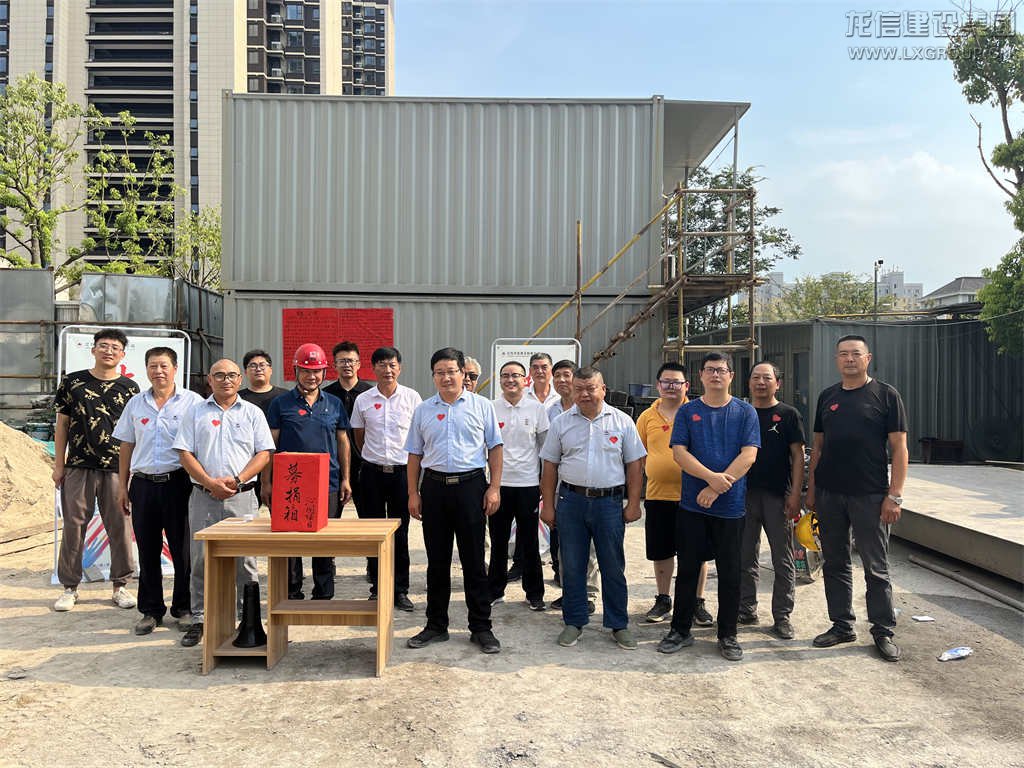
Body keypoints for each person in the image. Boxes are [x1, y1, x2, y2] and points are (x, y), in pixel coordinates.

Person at [806, 335, 908, 663]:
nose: (849, 359)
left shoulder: (886, 395)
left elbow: (899, 449)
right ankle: (841, 625)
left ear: (868, 358)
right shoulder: (828, 397)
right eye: (843, 354)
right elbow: (818, 447)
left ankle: (882, 630)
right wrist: (812, 489)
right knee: (835, 562)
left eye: (856, 354)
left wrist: (895, 495)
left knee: (875, 567)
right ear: (836, 359)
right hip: (830, 494)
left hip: (870, 495)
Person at [659, 352, 759, 661]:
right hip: (693, 506)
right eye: (710, 370)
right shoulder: (688, 412)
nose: (716, 375)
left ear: (731, 376)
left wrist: (716, 488)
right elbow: (679, 452)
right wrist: (710, 478)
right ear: (701, 376)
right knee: (688, 569)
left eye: (721, 370)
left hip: (730, 508)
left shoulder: (745, 412)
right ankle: (680, 630)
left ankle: (728, 634)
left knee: (730, 573)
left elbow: (749, 455)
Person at [404, 348, 504, 654]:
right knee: (437, 561)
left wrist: (494, 488)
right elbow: (414, 454)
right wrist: (413, 493)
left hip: (471, 487)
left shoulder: (482, 406)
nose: (446, 377)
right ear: (433, 376)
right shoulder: (423, 410)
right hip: (434, 488)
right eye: (440, 372)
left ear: (463, 374)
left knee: (474, 560)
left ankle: (481, 627)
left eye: (451, 371)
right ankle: (436, 625)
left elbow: (495, 448)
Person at [540, 367, 646, 651]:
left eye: (591, 388)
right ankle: (574, 621)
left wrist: (633, 503)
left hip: (609, 503)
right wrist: (548, 506)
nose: (584, 394)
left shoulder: (622, 421)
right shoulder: (561, 423)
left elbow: (634, 465)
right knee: (572, 564)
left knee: (613, 565)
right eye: (579, 389)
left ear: (603, 389)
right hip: (570, 502)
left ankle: (618, 624)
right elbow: (549, 466)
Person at [173, 359, 274, 648]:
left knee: (245, 560)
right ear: (210, 379)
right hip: (203, 497)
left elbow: (264, 453)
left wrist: (238, 480)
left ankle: (247, 618)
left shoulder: (252, 412)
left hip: (242, 496)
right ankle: (200, 618)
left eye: (231, 375)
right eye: (219, 375)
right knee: (200, 558)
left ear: (240, 379)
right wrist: (209, 482)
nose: (226, 380)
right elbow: (185, 453)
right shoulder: (195, 412)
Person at [114, 346, 203, 634]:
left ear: (175, 369)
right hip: (143, 485)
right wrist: (123, 486)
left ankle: (183, 608)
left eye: (164, 365)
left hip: (179, 484)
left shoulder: (193, 402)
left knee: (183, 550)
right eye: (153, 366)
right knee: (148, 550)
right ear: (146, 370)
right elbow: (126, 445)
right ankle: (151, 610)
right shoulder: (136, 404)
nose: (158, 371)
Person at [52, 328, 140, 613]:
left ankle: (121, 585)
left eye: (115, 347)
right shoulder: (73, 382)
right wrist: (59, 465)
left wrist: (131, 471)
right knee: (74, 525)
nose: (108, 351)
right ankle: (70, 587)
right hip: (78, 466)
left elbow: (134, 433)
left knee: (120, 526)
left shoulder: (130, 388)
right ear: (93, 350)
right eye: (103, 345)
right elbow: (62, 425)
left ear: (122, 354)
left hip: (117, 468)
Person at [263, 343, 352, 600]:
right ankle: (292, 591)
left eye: (316, 371)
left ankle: (323, 593)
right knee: (291, 541)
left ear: (324, 372)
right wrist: (266, 482)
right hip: (290, 483)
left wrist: (346, 478)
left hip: (328, 483)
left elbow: (343, 442)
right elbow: (270, 445)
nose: (311, 376)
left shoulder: (334, 403)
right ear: (295, 371)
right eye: (305, 371)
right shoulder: (280, 404)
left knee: (324, 540)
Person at [636, 363, 713, 627]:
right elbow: (639, 455)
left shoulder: (698, 412)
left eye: (676, 382)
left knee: (697, 552)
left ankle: (697, 601)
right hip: (658, 496)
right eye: (666, 382)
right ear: (658, 385)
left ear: (686, 386)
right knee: (662, 551)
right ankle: (663, 598)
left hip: (694, 496)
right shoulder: (646, 417)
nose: (671, 387)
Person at [350, 346, 422, 611]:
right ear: (373, 368)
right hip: (372, 473)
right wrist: (373, 457)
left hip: (402, 473)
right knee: (373, 531)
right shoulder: (363, 400)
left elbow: (419, 437)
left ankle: (400, 590)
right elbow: (359, 436)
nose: (387, 370)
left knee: (400, 532)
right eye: (381, 364)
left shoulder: (412, 398)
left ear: (399, 368)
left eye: (392, 365)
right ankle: (378, 588)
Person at [738, 361, 805, 639]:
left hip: (778, 497)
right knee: (744, 555)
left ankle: (782, 616)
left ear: (778, 383)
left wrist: (796, 494)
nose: (761, 382)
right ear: (748, 382)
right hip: (743, 495)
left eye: (767, 378)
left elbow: (798, 456)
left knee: (782, 558)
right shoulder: (740, 412)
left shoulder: (788, 415)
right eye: (756, 377)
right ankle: (746, 609)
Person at [488, 360, 550, 610]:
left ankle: (534, 593)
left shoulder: (536, 409)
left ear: (525, 380)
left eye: (515, 375)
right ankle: (495, 590)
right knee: (498, 541)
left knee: (530, 542)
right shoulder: (491, 408)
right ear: (500, 380)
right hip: (498, 486)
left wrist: (544, 485)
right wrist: (490, 485)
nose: (510, 380)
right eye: (505, 375)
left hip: (528, 485)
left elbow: (545, 450)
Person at [546, 359, 599, 613]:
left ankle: (588, 594)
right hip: (562, 489)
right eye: (557, 376)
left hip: (591, 490)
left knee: (589, 548)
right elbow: (548, 456)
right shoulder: (551, 412)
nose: (562, 380)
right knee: (565, 546)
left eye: (566, 375)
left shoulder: (597, 412)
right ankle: (570, 593)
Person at [323, 342, 372, 512]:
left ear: (358, 364)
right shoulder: (326, 395)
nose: (347, 365)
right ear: (334, 365)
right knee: (330, 517)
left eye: (351, 361)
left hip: (364, 465)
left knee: (368, 517)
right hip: (334, 465)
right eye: (342, 361)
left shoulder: (370, 394)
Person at [238, 349, 287, 504]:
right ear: (245, 372)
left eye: (262, 365)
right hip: (246, 466)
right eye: (252, 366)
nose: (258, 369)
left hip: (279, 465)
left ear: (270, 370)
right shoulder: (238, 399)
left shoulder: (285, 397)